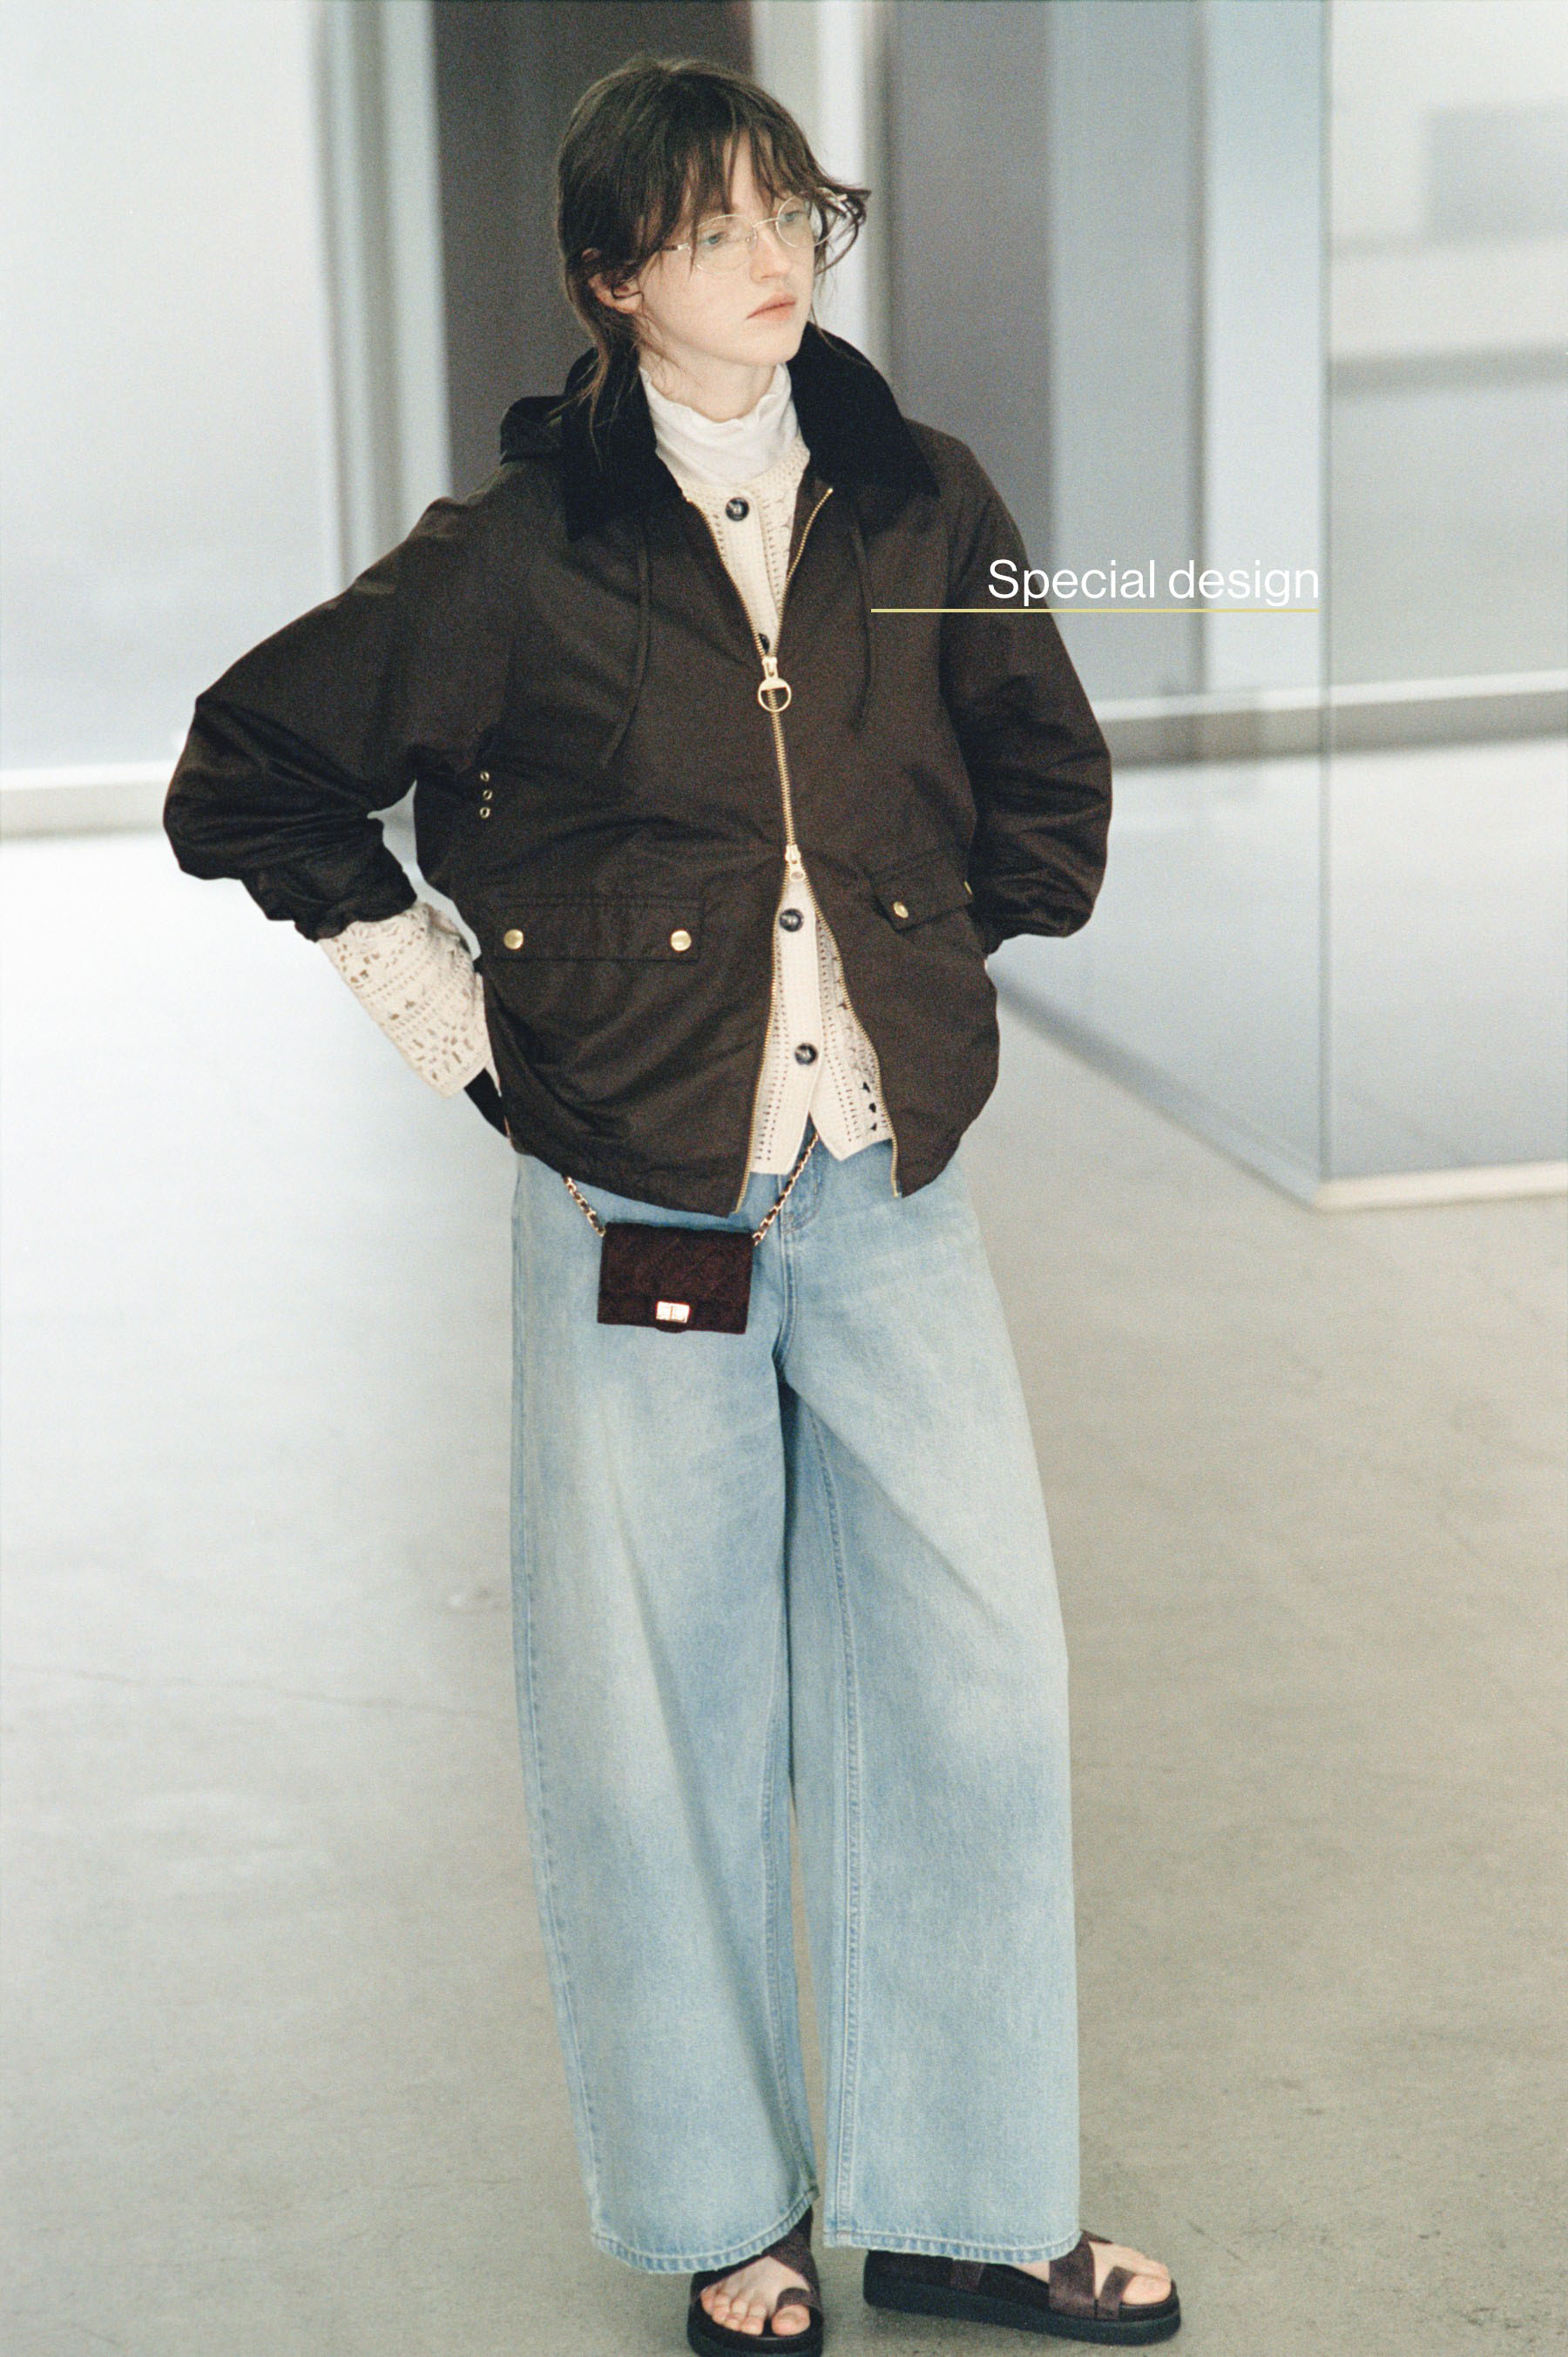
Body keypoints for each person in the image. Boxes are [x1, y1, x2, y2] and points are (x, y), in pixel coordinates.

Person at [164, 52, 1179, 2355]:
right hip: (633, 1195)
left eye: (796, 212)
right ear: (614, 277)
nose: (778, 256)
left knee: (982, 1686)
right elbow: (257, 765)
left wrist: (924, 961)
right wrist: (452, 1013)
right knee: (659, 1715)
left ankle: (968, 2200)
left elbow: (1046, 771)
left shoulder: (921, 496)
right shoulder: (525, 552)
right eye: (719, 227)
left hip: (882, 1181)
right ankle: (731, 2213)